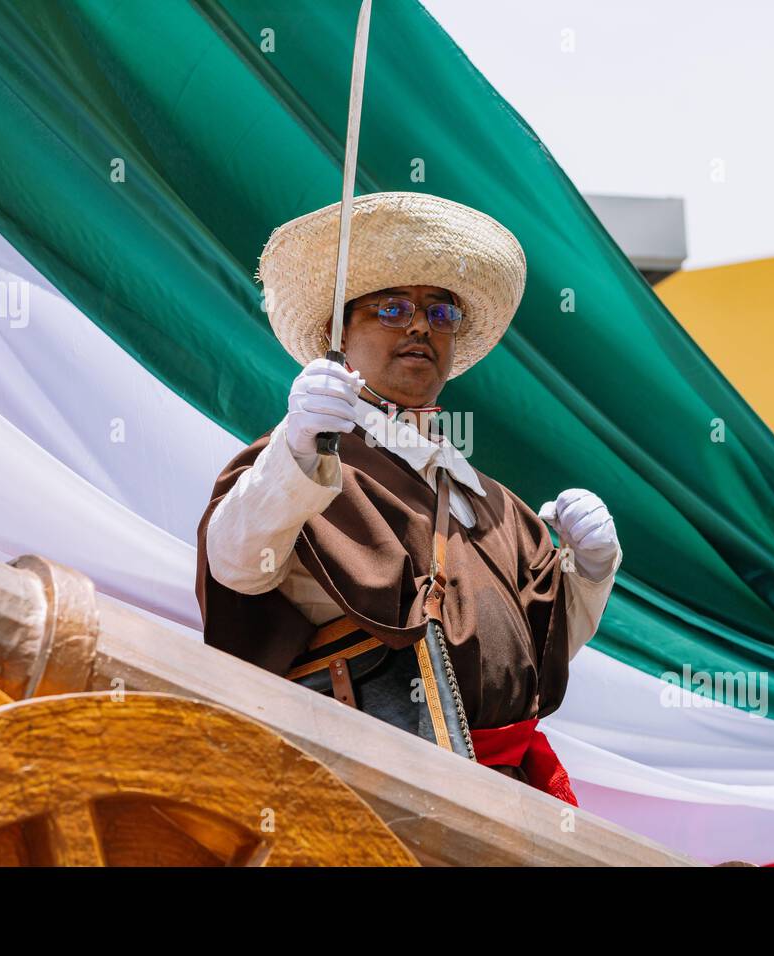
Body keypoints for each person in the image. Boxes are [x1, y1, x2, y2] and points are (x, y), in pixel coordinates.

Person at [196, 191, 621, 803]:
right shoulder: (302, 461)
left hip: (506, 795)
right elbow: (235, 563)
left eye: (440, 313)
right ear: (334, 334)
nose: (421, 326)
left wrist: (592, 571)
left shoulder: (502, 508)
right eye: (391, 308)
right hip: (367, 792)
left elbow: (535, 654)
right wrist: (295, 450)